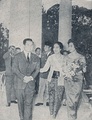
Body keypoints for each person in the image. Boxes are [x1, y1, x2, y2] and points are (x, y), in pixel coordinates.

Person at [12, 38, 40, 120]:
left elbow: (37, 70)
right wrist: (23, 77)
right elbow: (14, 69)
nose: (30, 46)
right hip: (19, 84)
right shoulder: (17, 56)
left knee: (29, 105)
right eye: (28, 44)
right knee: (20, 105)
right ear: (24, 45)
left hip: (30, 84)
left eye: (31, 45)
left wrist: (31, 77)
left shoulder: (36, 58)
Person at [62, 39, 86, 120]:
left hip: (78, 80)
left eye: (71, 45)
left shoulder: (81, 57)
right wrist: (66, 73)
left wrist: (76, 71)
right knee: (70, 101)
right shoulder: (66, 57)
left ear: (75, 46)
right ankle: (71, 118)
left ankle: (74, 115)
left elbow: (84, 70)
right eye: (69, 46)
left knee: (76, 99)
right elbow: (63, 68)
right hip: (68, 80)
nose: (70, 47)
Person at [40, 42, 65, 118]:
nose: (55, 49)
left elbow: (65, 69)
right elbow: (45, 68)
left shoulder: (64, 58)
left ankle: (55, 113)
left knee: (58, 97)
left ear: (60, 48)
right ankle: (51, 113)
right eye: (54, 47)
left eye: (57, 47)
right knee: (51, 95)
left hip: (60, 79)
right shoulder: (50, 57)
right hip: (51, 78)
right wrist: (37, 70)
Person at [35, 41, 52, 106]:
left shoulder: (52, 55)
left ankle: (48, 101)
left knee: (48, 88)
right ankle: (40, 101)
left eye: (46, 46)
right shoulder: (42, 54)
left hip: (49, 75)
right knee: (41, 88)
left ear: (50, 47)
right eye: (44, 46)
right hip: (42, 74)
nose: (45, 47)